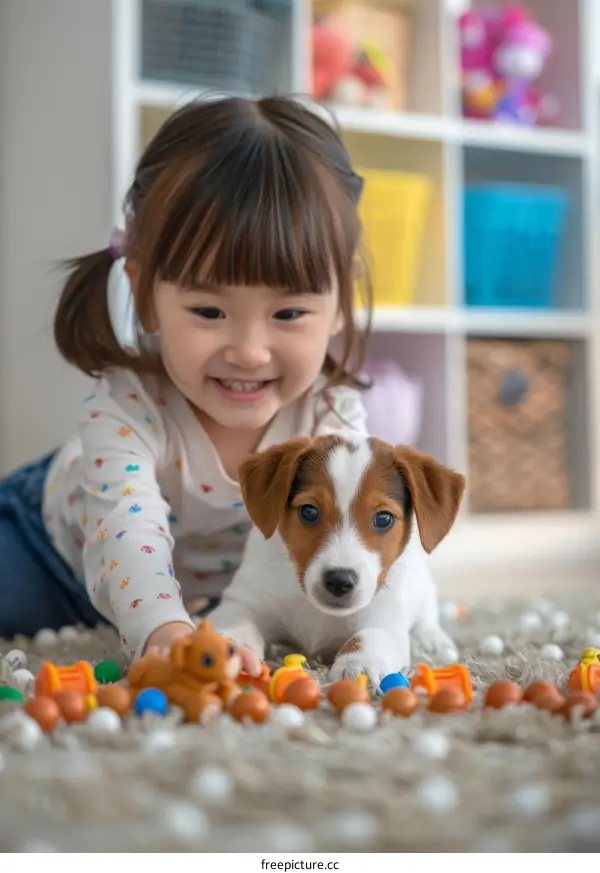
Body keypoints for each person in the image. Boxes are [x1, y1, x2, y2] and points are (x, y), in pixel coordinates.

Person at [0, 95, 372, 664]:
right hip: (49, 553)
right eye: (208, 312)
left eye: (289, 314)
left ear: (338, 305)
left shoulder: (331, 416)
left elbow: (348, 538)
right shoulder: (126, 405)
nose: (249, 353)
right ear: (145, 292)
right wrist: (164, 631)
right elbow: (127, 531)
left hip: (207, 597)